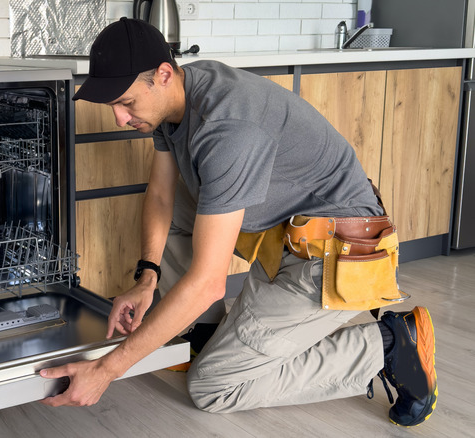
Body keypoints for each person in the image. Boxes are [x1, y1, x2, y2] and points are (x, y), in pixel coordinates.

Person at [39, 17, 437, 427]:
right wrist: (147, 278)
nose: (120, 119)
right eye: (113, 107)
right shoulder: (178, 98)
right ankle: (204, 333)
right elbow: (161, 195)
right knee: (181, 203)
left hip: (336, 255)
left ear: (161, 76)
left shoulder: (226, 127)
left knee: (213, 386)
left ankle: (388, 346)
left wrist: (106, 370)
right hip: (284, 233)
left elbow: (210, 280)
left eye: (127, 103)